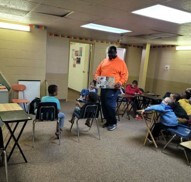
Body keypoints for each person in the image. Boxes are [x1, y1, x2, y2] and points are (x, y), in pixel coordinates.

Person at [94, 46, 128, 131]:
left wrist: (120, 83)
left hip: (113, 87)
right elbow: (97, 72)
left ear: (116, 53)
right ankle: (108, 121)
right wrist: (96, 78)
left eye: (112, 53)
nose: (110, 54)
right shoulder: (104, 61)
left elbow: (125, 75)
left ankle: (113, 122)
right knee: (104, 104)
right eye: (109, 53)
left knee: (110, 105)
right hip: (104, 85)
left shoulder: (121, 62)